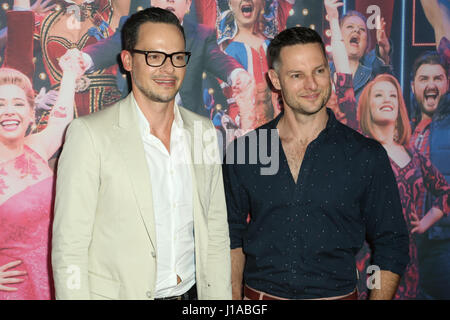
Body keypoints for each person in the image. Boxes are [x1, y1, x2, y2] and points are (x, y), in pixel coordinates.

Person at [52, 7, 231, 300]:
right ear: (127, 60)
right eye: (154, 57)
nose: (168, 68)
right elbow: (69, 247)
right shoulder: (89, 135)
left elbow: (216, 233)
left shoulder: (204, 131)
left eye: (177, 57)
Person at [222, 26, 409, 300]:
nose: (311, 84)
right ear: (275, 79)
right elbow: (230, 237)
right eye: (297, 75)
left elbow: (391, 242)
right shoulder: (247, 150)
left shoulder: (365, 155)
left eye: (319, 71)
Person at [0, 7, 81, 298]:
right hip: (17, 290)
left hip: (59, 278)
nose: (9, 112)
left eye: (18, 104)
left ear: (32, 114)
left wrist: (71, 73)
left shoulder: (36, 148)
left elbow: (61, 120)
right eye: (0, 104)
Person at [65, 0, 251, 118]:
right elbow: (110, 46)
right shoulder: (135, 27)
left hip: (187, 124)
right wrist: (84, 59)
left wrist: (236, 74)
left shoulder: (201, 35)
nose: (170, 0)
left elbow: (219, 59)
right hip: (140, 121)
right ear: (153, 2)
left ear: (187, 5)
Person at [357, 74, 450, 299]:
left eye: (392, 95)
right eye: (378, 95)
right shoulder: (359, 149)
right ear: (367, 106)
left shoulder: (413, 155)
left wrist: (427, 220)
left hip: (409, 262)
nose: (387, 99)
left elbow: (445, 191)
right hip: (370, 259)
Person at [410, 0, 450, 300]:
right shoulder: (405, 132)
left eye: (438, 77)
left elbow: (437, 16)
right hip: (412, 251)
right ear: (413, 87)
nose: (431, 84)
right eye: (424, 79)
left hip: (444, 245)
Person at [213, 0, 294, 131]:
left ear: (262, 3)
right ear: (229, 3)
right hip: (243, 131)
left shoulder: (272, 40)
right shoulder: (221, 45)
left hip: (276, 129)